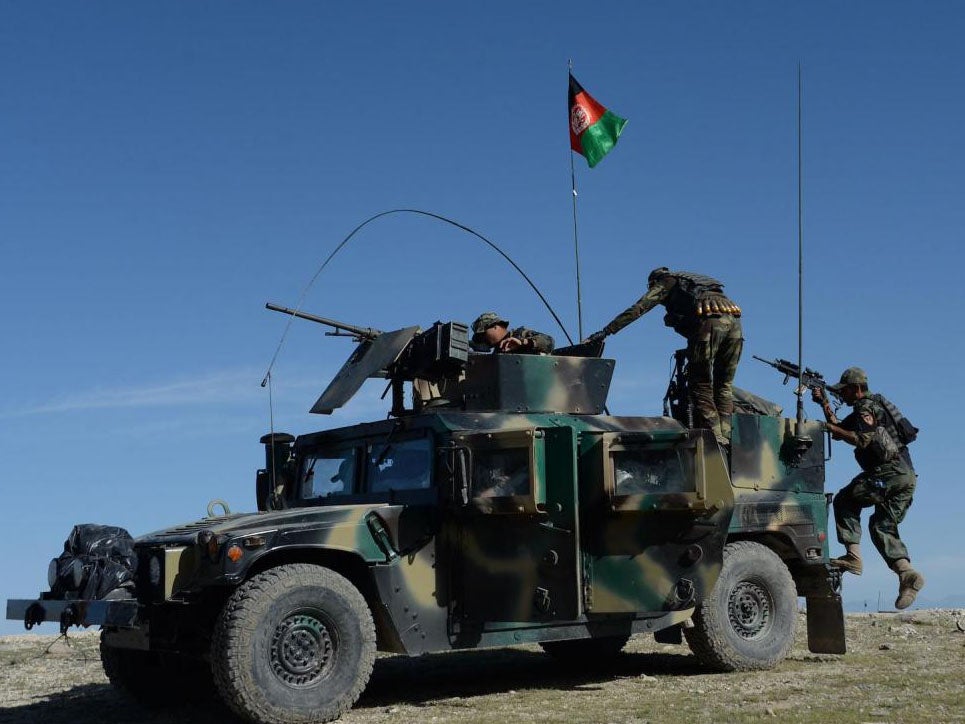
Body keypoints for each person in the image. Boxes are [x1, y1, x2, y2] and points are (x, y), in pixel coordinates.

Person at [585, 268, 742, 445]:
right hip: (735, 323)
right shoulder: (696, 283)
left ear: (654, 282)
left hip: (710, 322)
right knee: (724, 385)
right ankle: (728, 437)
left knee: (700, 383)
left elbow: (640, 307)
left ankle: (715, 438)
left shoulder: (666, 282)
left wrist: (607, 331)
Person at [812, 367, 924, 610]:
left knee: (844, 500)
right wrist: (824, 404)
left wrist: (829, 428)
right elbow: (842, 430)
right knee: (881, 525)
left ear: (857, 389)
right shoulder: (872, 406)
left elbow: (860, 439)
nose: (844, 395)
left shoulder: (866, 408)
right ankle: (907, 575)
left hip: (890, 473)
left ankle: (853, 558)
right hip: (906, 477)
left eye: (846, 391)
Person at [471, 312, 554, 354]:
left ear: (495, 326)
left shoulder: (521, 334)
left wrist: (523, 343)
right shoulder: (497, 352)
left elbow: (549, 342)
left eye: (483, 334)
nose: (483, 339)